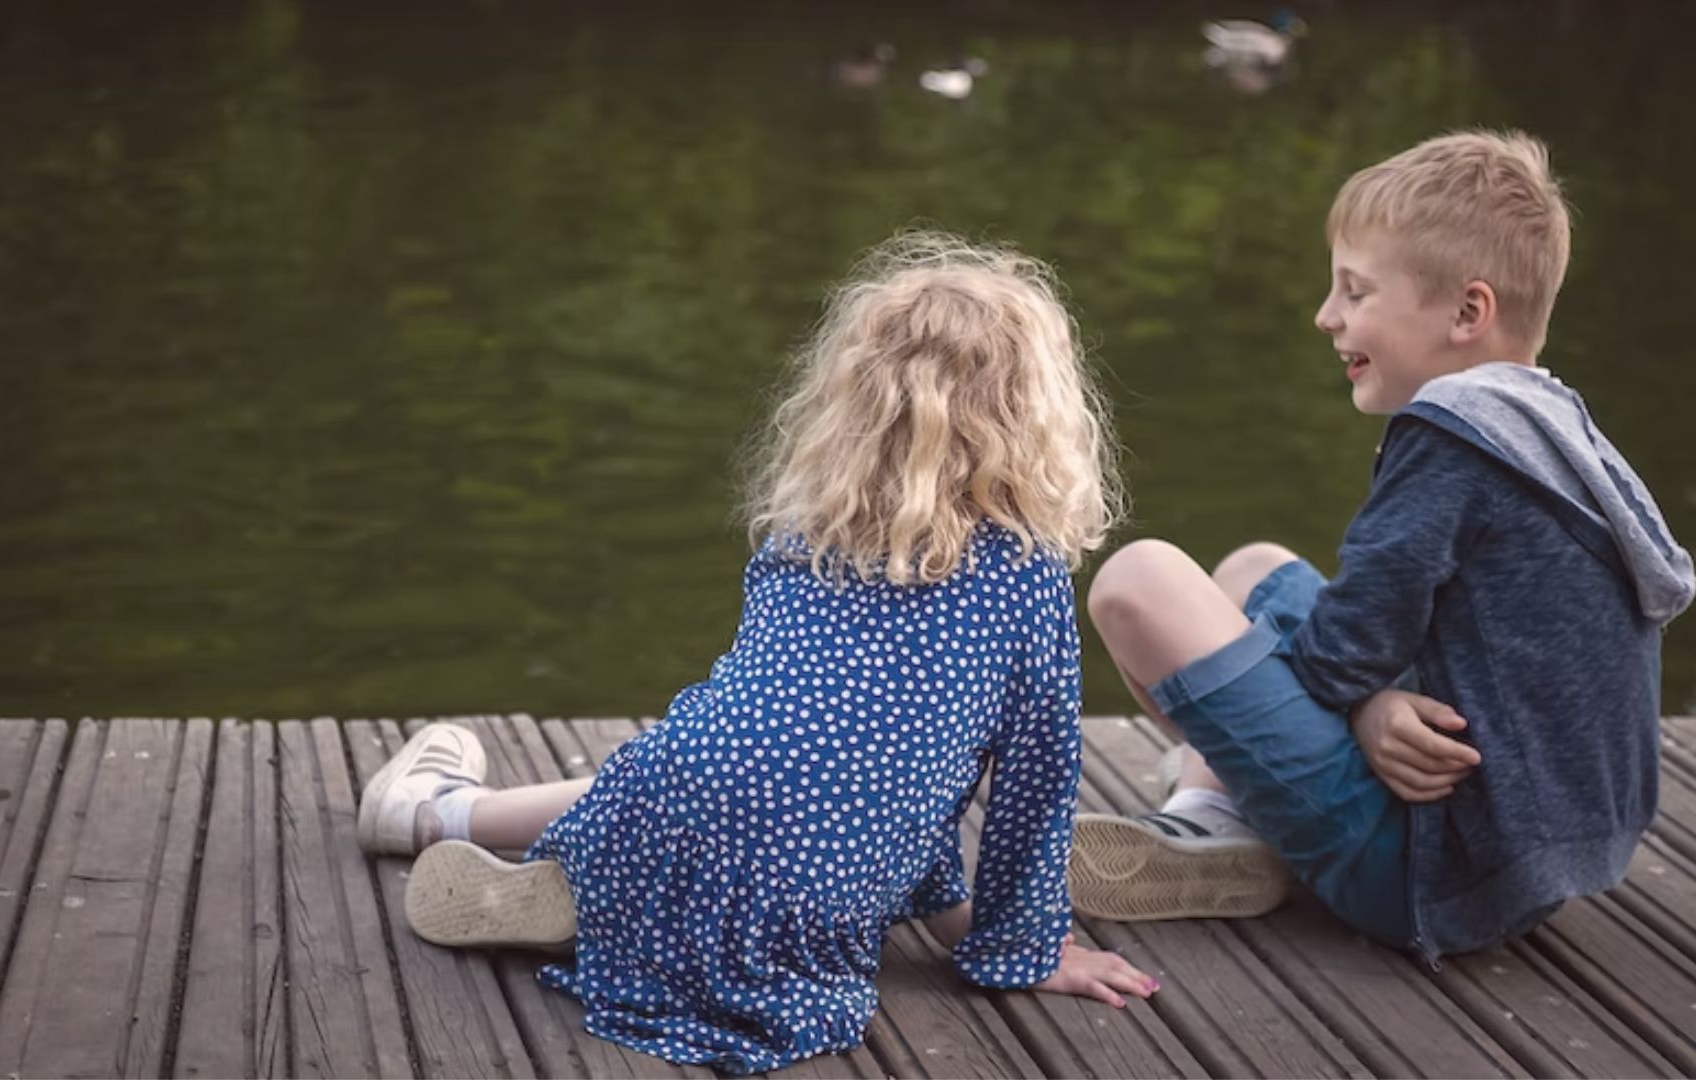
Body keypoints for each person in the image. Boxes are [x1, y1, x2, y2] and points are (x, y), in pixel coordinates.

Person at [355, 232, 1157, 1074]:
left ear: (855, 400)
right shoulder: (1023, 578)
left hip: (674, 799)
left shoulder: (807, 537)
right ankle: (610, 898)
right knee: (840, 802)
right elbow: (1035, 781)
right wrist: (1024, 949)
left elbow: (779, 723)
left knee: (711, 764)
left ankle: (509, 844)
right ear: (1039, 416)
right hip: (816, 888)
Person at [1069, 131, 1696, 967]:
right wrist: (1377, 700)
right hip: (1530, 856)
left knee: (1136, 580)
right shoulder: (1551, 428)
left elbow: (1339, 660)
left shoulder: (1454, 438)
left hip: (1427, 872)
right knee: (1256, 567)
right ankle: (1217, 811)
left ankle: (1217, 807)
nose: (1326, 316)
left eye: (1355, 291)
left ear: (1467, 313)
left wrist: (1367, 705)